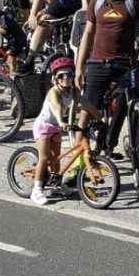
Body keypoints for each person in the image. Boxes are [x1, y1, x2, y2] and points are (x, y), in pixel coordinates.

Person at [74, 0, 139, 145]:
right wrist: (79, 67)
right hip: (97, 62)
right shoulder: (96, 1)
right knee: (86, 113)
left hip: (125, 62)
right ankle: (78, 158)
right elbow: (87, 35)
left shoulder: (133, 1)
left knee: (136, 101)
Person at [29, 57, 102, 205]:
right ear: (55, 78)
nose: (65, 78)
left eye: (69, 75)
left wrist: (100, 117)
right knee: (44, 158)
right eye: (61, 75)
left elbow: (86, 104)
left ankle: (56, 185)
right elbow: (57, 107)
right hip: (44, 125)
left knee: (56, 158)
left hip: (56, 126)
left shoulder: (72, 92)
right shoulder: (53, 92)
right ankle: (37, 189)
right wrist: (62, 121)